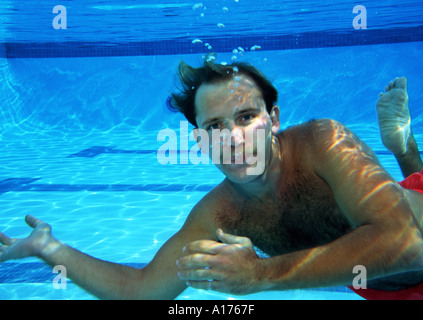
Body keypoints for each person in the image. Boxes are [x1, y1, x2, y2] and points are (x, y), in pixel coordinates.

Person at [0, 59, 422, 300]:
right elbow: (143, 290)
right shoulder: (219, 213)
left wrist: (258, 275)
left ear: (273, 119)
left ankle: (403, 148)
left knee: (413, 189)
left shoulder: (323, 141)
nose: (234, 139)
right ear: (200, 140)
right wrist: (48, 248)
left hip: (413, 224)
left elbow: (407, 245)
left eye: (246, 117)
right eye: (215, 127)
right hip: (382, 288)